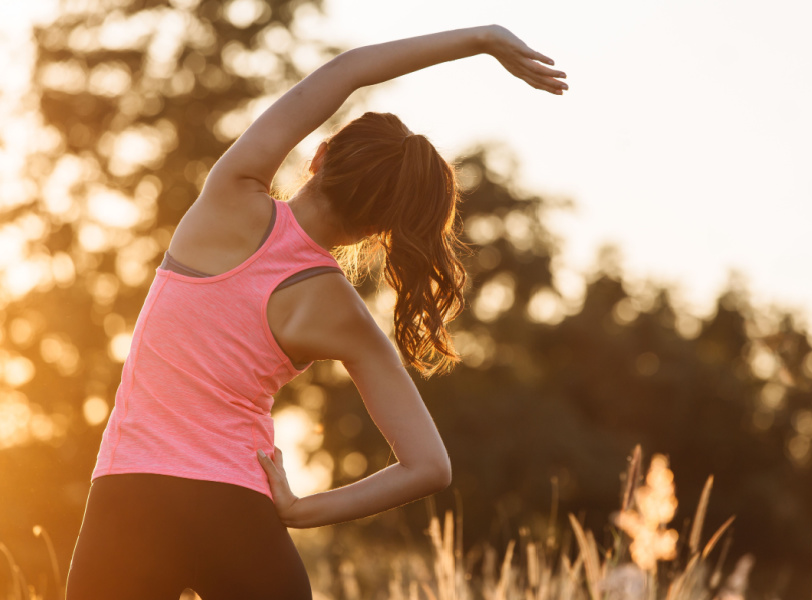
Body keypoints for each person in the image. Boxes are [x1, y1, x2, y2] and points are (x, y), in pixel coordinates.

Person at [65, 24, 567, 600]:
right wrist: (302, 510)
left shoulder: (230, 195)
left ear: (319, 156)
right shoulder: (343, 313)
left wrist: (482, 39)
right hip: (238, 511)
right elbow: (430, 466)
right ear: (381, 229)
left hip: (131, 497)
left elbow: (349, 70)